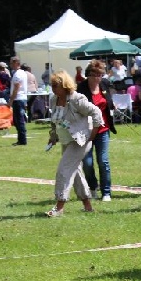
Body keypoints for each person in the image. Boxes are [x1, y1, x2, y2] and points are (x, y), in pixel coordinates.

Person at [45, 70, 104, 217]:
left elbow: (96, 112)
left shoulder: (77, 99)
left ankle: (59, 207)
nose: (53, 88)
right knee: (76, 172)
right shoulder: (54, 99)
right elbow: (55, 120)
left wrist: (94, 133)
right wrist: (53, 136)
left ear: (65, 86)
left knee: (63, 170)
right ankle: (88, 206)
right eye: (52, 85)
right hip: (66, 140)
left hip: (80, 141)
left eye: (55, 85)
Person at [77, 60, 116, 201]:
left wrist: (112, 105)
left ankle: (106, 192)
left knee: (103, 160)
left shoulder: (104, 84)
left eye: (101, 74)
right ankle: (93, 187)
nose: (98, 78)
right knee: (87, 163)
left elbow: (108, 100)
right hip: (86, 130)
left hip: (103, 129)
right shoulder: (81, 88)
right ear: (89, 74)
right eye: (95, 75)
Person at [8, 56, 28, 146]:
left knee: (19, 120)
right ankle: (21, 138)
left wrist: (11, 100)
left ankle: (22, 140)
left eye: (12, 63)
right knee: (18, 120)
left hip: (18, 99)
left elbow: (16, 88)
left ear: (17, 63)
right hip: (21, 98)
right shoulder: (22, 73)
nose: (10, 65)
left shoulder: (17, 74)